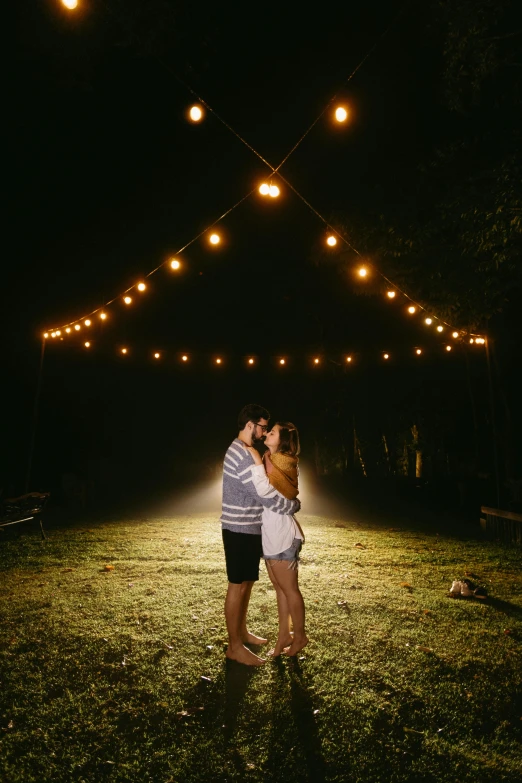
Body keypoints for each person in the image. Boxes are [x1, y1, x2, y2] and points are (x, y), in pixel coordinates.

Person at [221, 404, 301, 666]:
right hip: (238, 528)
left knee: (247, 583)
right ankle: (234, 646)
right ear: (250, 425)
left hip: (250, 527)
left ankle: (241, 633)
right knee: (237, 585)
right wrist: (292, 506)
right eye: (262, 427)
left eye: (267, 428)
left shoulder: (248, 451)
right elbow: (263, 495)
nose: (263, 432)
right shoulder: (242, 454)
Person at [245, 422, 308, 657]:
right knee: (281, 590)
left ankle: (300, 636)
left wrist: (256, 463)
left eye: (272, 432)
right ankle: (284, 635)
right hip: (271, 536)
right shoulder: (270, 459)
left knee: (290, 590)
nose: (268, 433)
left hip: (283, 537)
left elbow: (264, 491)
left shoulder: (283, 462)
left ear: (281, 441)